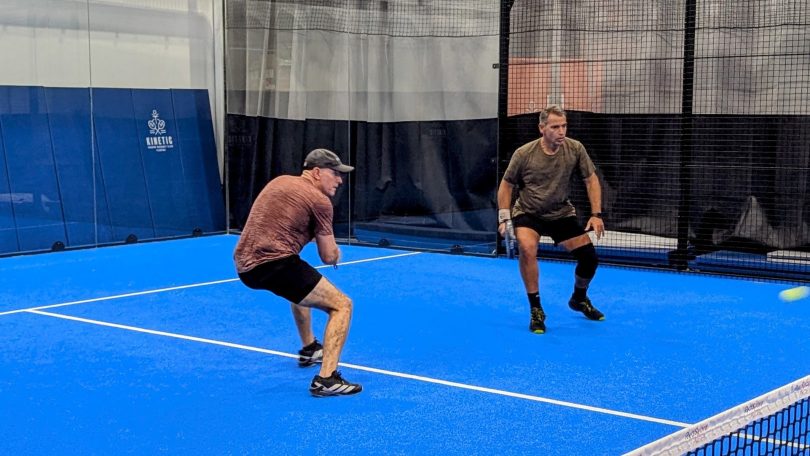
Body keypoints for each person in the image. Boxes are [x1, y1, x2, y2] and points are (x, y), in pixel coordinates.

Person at [234, 148, 361, 397]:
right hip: (275, 263)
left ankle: (310, 348)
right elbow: (327, 255)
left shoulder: (279, 181)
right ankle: (327, 379)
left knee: (302, 287)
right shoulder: (320, 201)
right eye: (334, 173)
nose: (340, 180)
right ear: (316, 172)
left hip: (244, 265)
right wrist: (336, 254)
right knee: (342, 305)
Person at [497, 105, 606, 334]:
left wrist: (596, 215)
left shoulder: (575, 149)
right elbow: (506, 185)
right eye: (555, 126)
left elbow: (591, 180)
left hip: (561, 214)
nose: (561, 131)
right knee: (527, 248)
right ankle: (536, 309)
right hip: (528, 212)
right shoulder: (524, 154)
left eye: (564, 126)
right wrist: (504, 218)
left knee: (589, 259)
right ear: (542, 128)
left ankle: (578, 298)